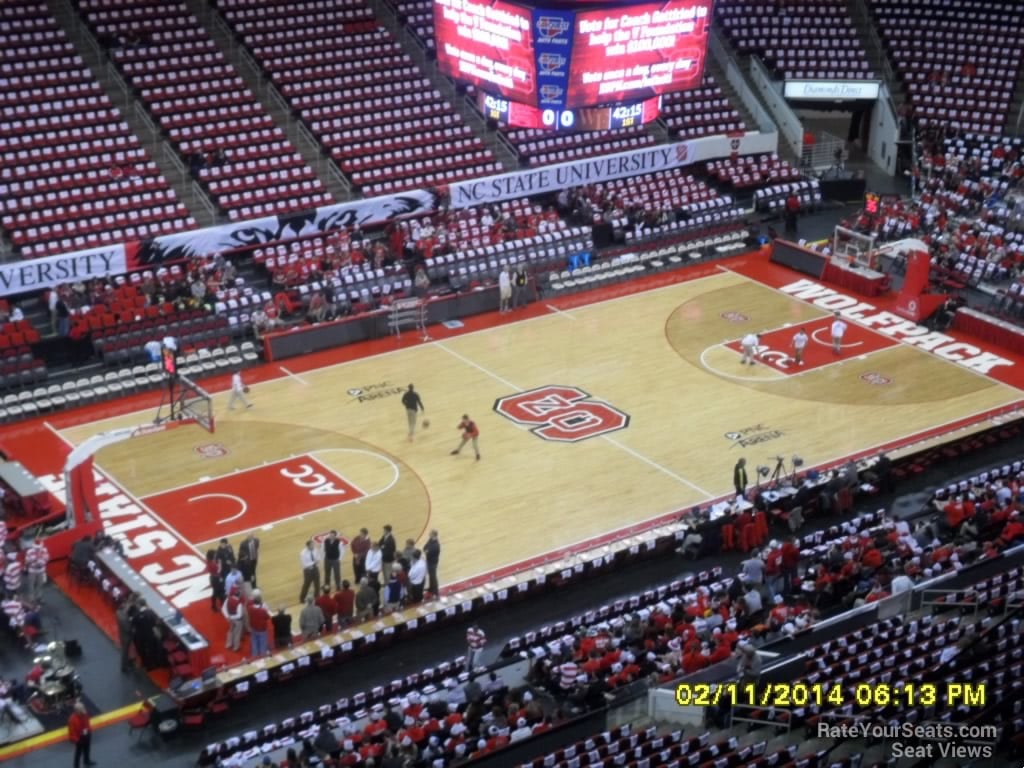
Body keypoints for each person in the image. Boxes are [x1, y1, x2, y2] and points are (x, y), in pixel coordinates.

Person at [68, 700, 95, 768]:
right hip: (79, 738)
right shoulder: (72, 720)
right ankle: (76, 766)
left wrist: (89, 731)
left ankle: (87, 761)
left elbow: (87, 723)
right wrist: (77, 740)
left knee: (87, 749)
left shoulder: (84, 714)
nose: (83, 711)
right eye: (81, 709)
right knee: (78, 753)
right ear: (77, 711)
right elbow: (72, 732)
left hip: (86, 735)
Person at [24, 536, 48, 603]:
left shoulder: (44, 550)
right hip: (32, 570)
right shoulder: (29, 552)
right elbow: (26, 562)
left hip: (41, 569)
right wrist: (33, 560)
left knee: (40, 585)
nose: (37, 549)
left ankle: (39, 597)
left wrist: (42, 560)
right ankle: (31, 598)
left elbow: (47, 559)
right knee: (31, 585)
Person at [248, 592, 272, 657]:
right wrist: (266, 609)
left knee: (254, 641)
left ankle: (254, 656)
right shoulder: (263, 611)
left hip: (253, 627)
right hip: (262, 629)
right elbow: (268, 617)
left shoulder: (250, 608)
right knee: (263, 643)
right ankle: (262, 656)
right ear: (260, 602)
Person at [222, 586, 245, 652]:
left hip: (230, 619)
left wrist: (227, 616)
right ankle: (236, 647)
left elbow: (223, 609)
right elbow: (239, 615)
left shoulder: (228, 599)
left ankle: (228, 644)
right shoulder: (239, 603)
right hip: (237, 620)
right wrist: (231, 617)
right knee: (237, 633)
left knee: (230, 631)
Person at [423, 530, 441, 597]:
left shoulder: (436, 545)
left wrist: (427, 551)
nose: (429, 534)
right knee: (431, 576)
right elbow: (424, 547)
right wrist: (426, 551)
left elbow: (429, 553)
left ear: (433, 535)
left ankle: (436, 592)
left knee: (433, 577)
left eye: (430, 533)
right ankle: (431, 588)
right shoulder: (430, 540)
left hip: (433, 563)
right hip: (429, 561)